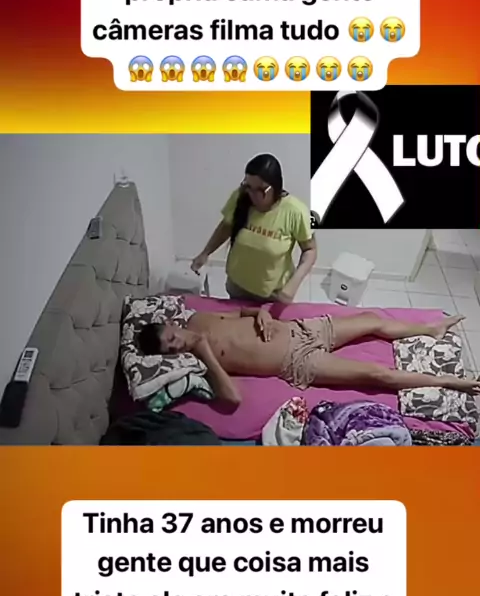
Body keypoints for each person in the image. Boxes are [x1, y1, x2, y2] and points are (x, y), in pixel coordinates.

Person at [137, 308, 478, 407]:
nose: (177, 345)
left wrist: (261, 314)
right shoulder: (195, 362)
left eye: (172, 338)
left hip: (300, 329)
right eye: (171, 349)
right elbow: (232, 399)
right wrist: (203, 352)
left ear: (171, 325)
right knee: (378, 375)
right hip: (296, 362)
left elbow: (243, 312)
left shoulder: (199, 318)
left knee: (372, 319)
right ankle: (448, 381)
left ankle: (430, 329)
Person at [190, 153, 317, 303]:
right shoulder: (241, 197)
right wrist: (205, 253)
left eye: (261, 189)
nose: (253, 194)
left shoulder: (296, 211)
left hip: (272, 294)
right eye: (248, 187)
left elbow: (310, 250)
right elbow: (226, 226)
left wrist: (293, 285)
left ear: (276, 186)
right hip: (237, 286)